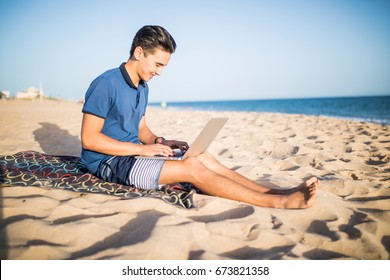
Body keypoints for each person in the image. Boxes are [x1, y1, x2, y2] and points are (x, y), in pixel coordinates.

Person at [81, 25, 318, 209]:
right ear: (139, 52)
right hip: (109, 163)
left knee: (203, 156)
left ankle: (276, 192)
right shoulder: (106, 84)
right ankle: (279, 203)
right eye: (158, 64)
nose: (160, 72)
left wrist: (160, 142)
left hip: (132, 155)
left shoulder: (142, 86)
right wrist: (141, 150)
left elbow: (140, 128)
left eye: (164, 66)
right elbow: (90, 140)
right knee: (192, 167)